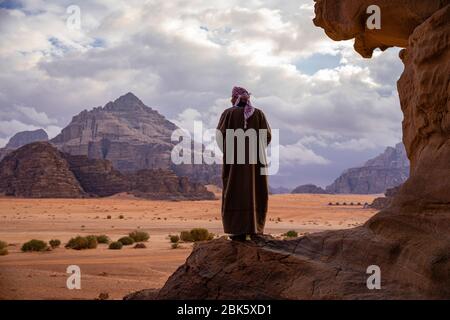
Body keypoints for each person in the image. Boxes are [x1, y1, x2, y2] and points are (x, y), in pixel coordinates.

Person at [216, 87, 272, 241]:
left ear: (236, 98)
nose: (230, 100)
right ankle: (255, 229)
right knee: (256, 191)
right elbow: (267, 136)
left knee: (234, 191)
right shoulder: (259, 114)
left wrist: (231, 151)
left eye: (232, 97)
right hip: (257, 163)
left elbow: (220, 136)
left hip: (234, 162)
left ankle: (237, 231)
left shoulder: (228, 114)